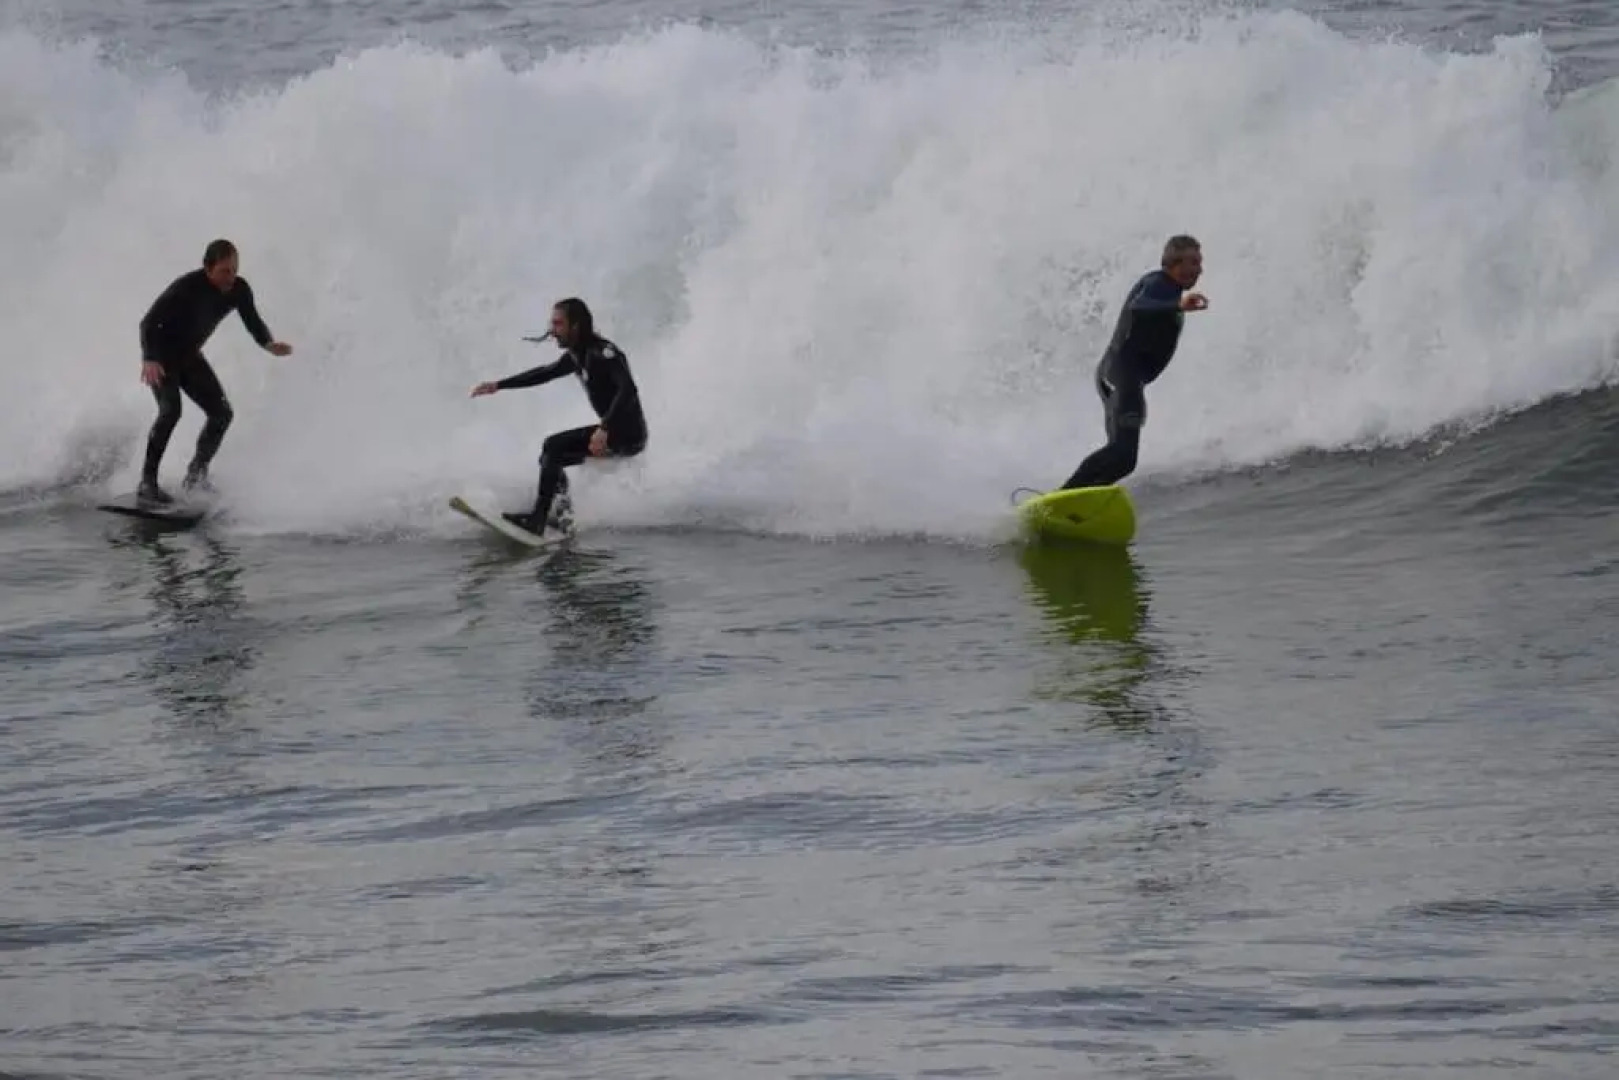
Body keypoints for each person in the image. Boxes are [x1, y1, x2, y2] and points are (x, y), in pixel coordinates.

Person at [470, 297, 648, 536]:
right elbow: (544, 373)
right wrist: (499, 385)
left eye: (558, 324)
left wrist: (604, 428)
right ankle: (563, 516)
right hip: (612, 431)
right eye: (552, 324)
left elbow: (628, 389)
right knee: (550, 456)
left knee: (553, 446)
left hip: (628, 435)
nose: (552, 331)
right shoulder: (576, 355)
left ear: (575, 326)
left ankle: (538, 520)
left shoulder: (603, 353)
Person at [136, 239, 293, 505]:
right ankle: (147, 482)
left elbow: (252, 320)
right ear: (208, 268)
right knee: (170, 411)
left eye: (234, 269)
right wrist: (150, 358)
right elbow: (149, 322)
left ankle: (196, 475)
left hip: (190, 358)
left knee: (221, 414)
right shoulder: (186, 286)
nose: (230, 276)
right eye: (224, 270)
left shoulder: (239, 290)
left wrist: (268, 343)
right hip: (162, 358)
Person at [1060, 235, 1207, 490]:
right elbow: (1141, 306)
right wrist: (1177, 304)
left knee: (1124, 459)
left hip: (1122, 379)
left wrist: (1176, 303)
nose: (1199, 269)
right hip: (1121, 376)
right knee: (1121, 452)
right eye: (1192, 262)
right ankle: (1062, 496)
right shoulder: (1157, 283)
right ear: (1173, 263)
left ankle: (1081, 499)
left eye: (1199, 263)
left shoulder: (1168, 291)